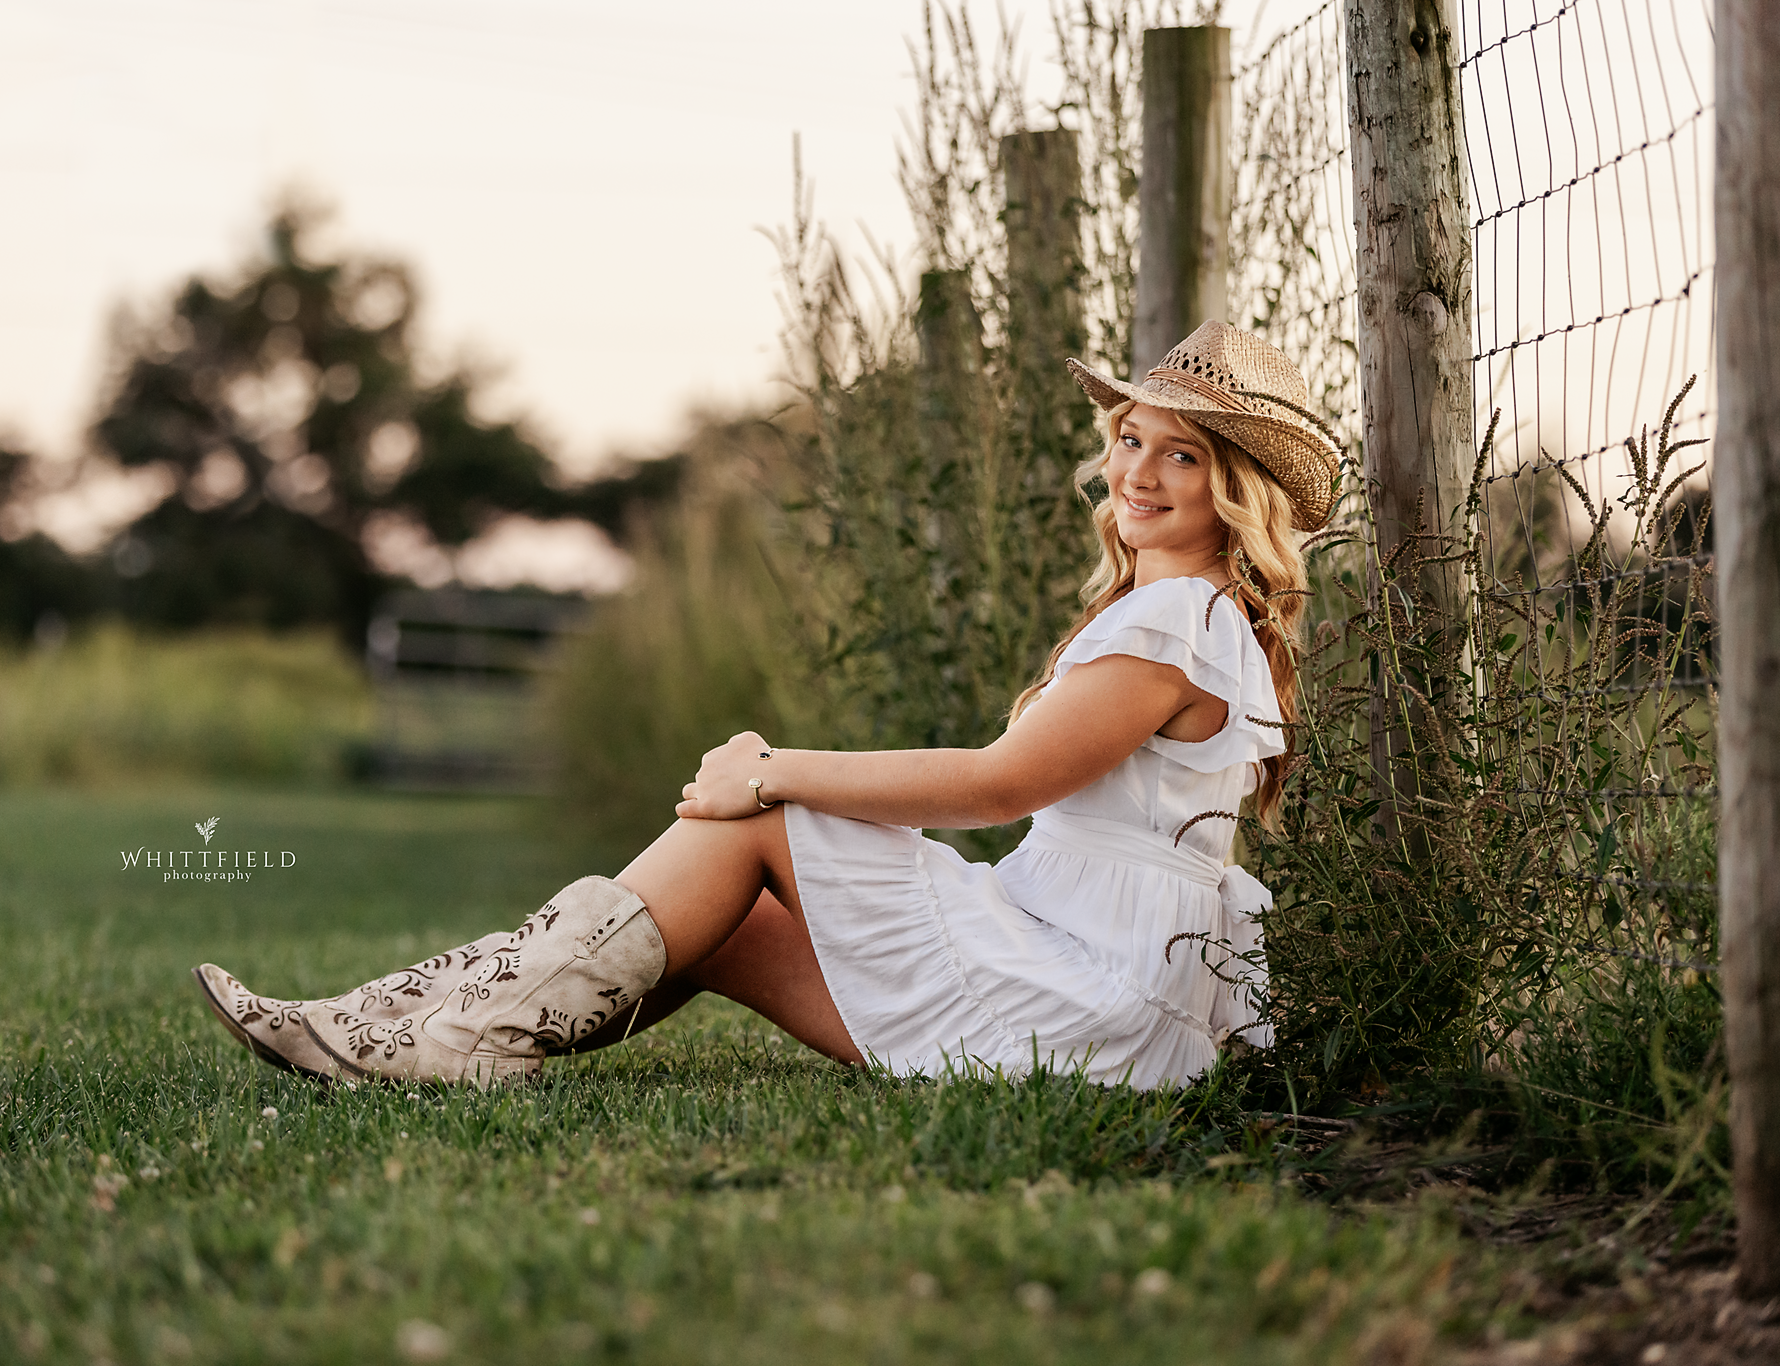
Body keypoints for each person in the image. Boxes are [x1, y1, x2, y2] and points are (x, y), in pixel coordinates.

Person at [195, 320, 1337, 1088]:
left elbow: (1000, 783)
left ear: (1233, 490)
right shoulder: (1181, 619)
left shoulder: (1181, 621)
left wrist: (773, 768)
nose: (1137, 471)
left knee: (756, 822)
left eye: (1181, 456)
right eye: (1130, 439)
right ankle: (430, 1031)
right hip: (1075, 968)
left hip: (1092, 1003)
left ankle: (412, 1035)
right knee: (720, 922)